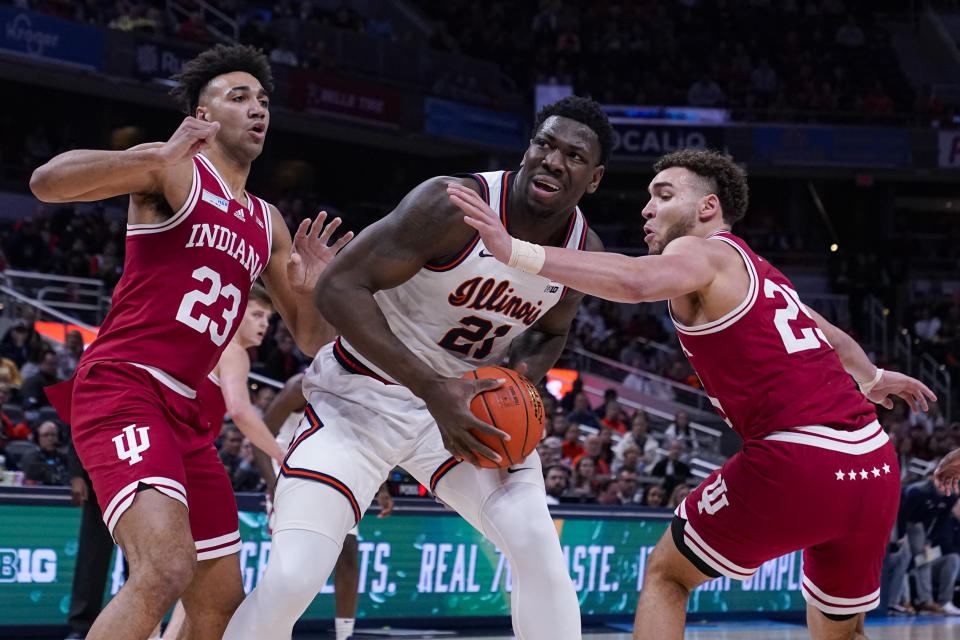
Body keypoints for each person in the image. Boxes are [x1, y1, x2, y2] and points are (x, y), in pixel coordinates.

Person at [448, 148, 936, 639]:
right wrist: (872, 378)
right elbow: (831, 336)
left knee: (668, 575)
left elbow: (635, 281)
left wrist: (516, 251)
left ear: (707, 209)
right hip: (874, 465)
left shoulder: (698, 251)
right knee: (842, 633)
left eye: (663, 194)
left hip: (798, 460)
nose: (646, 208)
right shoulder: (763, 272)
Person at [224, 95, 613, 640]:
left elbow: (551, 331)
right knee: (293, 577)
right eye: (544, 144)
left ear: (592, 179)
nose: (552, 160)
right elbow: (338, 289)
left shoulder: (581, 250)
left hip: (464, 408)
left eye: (573, 156)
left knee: (538, 548)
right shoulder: (451, 203)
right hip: (362, 398)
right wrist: (433, 389)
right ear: (527, 149)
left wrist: (521, 380)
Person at [33, 43, 351, 640]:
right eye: (239, 97)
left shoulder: (268, 221)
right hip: (124, 386)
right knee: (165, 567)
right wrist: (156, 151)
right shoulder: (174, 168)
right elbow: (47, 182)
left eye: (262, 100)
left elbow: (312, 338)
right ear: (203, 116)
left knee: (220, 606)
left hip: (188, 416)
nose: (258, 108)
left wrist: (312, 288)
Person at [256, 373, 396, 640]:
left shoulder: (363, 390)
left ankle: (344, 635)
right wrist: (274, 487)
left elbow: (366, 443)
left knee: (349, 555)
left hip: (333, 474)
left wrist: (382, 489)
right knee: (288, 570)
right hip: (290, 473)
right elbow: (259, 439)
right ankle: (267, 631)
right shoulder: (300, 384)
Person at [20, 420, 70, 485]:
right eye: (45, 435)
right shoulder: (30, 458)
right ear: (37, 438)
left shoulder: (65, 458)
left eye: (53, 435)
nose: (50, 438)